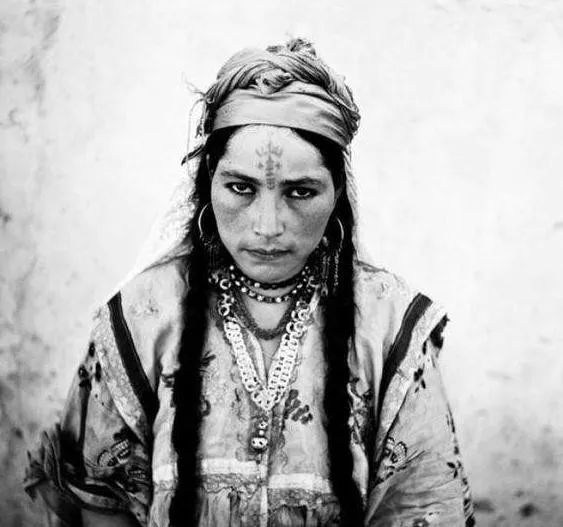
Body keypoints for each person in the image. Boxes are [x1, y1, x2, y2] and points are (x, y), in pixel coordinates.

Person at [25, 38, 475, 526]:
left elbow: (424, 507)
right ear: (208, 183)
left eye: (301, 192)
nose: (267, 225)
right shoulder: (144, 314)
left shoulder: (388, 327)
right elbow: (101, 505)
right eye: (241, 188)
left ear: (338, 194)